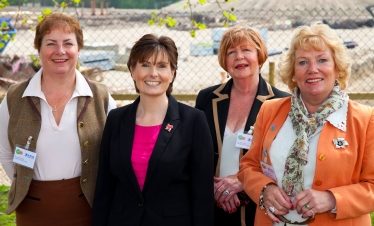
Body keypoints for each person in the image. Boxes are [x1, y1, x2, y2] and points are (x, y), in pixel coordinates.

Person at [237, 22, 374, 226]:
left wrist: (332, 199)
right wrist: (265, 189)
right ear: (293, 71)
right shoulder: (270, 111)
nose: (312, 69)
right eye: (302, 62)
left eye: (322, 60)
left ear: (337, 67)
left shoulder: (365, 119)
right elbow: (248, 166)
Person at [0, 13, 116, 225]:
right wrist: (27, 182)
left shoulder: (101, 97)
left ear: (78, 49)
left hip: (87, 209)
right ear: (39, 49)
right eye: (51, 43)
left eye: (68, 43)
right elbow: (5, 153)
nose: (60, 51)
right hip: (32, 210)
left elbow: (115, 156)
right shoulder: (14, 98)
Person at [92, 34, 214, 226]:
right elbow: (104, 188)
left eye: (162, 66)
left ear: (173, 72)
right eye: (145, 65)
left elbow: (203, 195)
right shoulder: (116, 119)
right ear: (132, 70)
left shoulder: (194, 121)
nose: (153, 73)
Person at [195, 25, 290, 226]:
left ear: (260, 55)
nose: (239, 57)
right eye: (231, 52)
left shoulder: (282, 103)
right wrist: (212, 187)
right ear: (224, 61)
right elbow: (195, 152)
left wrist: (243, 182)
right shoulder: (207, 98)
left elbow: (285, 162)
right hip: (211, 207)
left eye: (246, 50)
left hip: (256, 209)